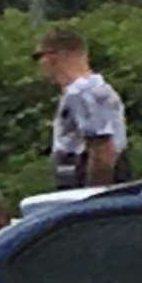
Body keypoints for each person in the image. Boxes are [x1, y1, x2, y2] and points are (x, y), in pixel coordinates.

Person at [34, 27, 129, 189]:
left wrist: (93, 197)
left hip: (84, 185)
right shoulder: (91, 90)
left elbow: (102, 152)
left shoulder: (82, 92)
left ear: (53, 56)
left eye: (37, 57)